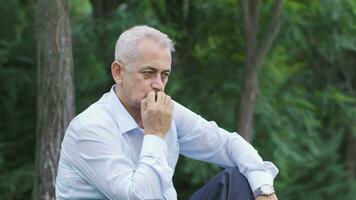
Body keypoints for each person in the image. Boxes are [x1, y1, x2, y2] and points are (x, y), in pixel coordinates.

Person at [55, 25, 279, 200]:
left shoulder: (163, 109)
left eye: (164, 75)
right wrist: (154, 134)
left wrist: (264, 188)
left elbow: (228, 144)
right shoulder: (90, 128)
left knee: (239, 180)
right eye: (149, 73)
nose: (159, 85)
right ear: (118, 72)